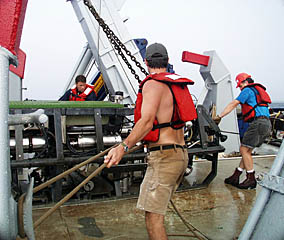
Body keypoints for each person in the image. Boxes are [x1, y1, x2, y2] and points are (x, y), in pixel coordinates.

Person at [104, 43, 197, 240]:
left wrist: (123, 147)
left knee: (153, 219)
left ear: (146, 62)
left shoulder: (152, 84)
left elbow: (146, 122)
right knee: (155, 215)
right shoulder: (174, 84)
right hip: (180, 154)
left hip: (164, 157)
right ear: (167, 61)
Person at [214, 72, 271, 189]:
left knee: (244, 149)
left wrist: (220, 116)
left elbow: (234, 103)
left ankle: (251, 179)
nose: (240, 88)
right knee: (247, 151)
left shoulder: (247, 90)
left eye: (240, 85)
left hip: (258, 122)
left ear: (245, 82)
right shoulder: (256, 91)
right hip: (266, 123)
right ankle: (236, 176)